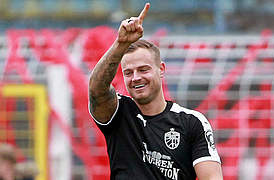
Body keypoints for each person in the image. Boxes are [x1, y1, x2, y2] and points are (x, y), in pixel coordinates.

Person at [88, 3, 223, 180]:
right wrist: (121, 44)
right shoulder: (119, 113)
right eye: (128, 72)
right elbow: (97, 90)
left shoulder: (191, 122)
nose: (136, 77)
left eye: (143, 70)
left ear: (161, 70)